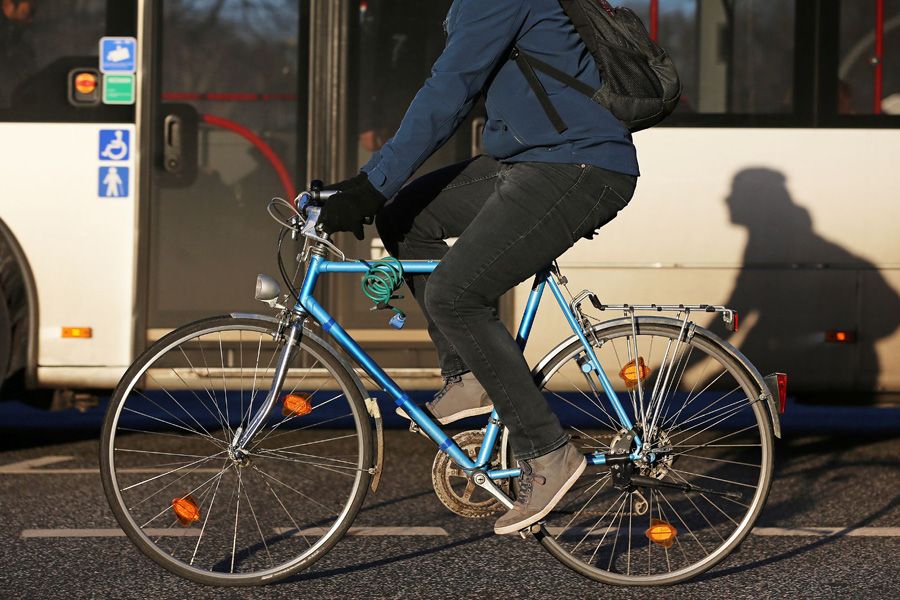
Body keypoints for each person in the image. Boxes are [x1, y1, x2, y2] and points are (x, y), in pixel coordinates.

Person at [319, 0, 639, 535]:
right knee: (403, 217)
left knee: (453, 294)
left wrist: (372, 182)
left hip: (578, 165)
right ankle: (468, 374)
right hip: (533, 159)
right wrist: (370, 187)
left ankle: (549, 451)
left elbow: (449, 90)